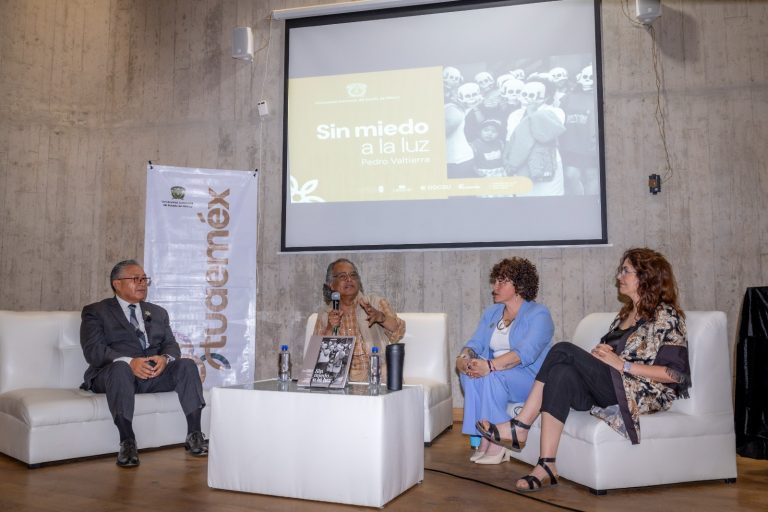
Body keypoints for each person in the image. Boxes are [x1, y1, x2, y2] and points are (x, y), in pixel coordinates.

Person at [477, 248, 691, 491]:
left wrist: (622, 364)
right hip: (609, 385)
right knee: (561, 372)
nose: (619, 276)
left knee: (562, 349)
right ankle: (547, 465)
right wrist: (602, 355)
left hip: (637, 392)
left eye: (626, 271)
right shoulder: (625, 315)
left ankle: (520, 425)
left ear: (646, 276)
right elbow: (610, 359)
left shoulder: (666, 316)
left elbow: (676, 375)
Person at [80, 259, 207, 468]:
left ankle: (194, 434)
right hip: (113, 374)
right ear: (117, 283)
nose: (142, 283)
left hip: (152, 375)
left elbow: (171, 346)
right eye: (135, 279)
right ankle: (127, 442)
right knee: (121, 368)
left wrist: (164, 359)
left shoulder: (158, 312)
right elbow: (93, 351)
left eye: (144, 279)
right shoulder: (96, 311)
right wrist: (130, 362)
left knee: (187, 365)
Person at [456, 257, 554, 465]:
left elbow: (525, 353)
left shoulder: (539, 314)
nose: (495, 287)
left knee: (493, 377)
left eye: (502, 281)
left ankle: (498, 442)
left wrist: (490, 366)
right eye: (495, 281)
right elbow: (475, 343)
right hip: (499, 372)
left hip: (531, 378)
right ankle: (483, 434)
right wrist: (464, 359)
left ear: (519, 286)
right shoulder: (492, 312)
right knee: (471, 375)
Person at [313, 259, 405, 383]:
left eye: (353, 275)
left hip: (376, 371)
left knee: (387, 371)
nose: (349, 279)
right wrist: (330, 327)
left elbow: (398, 330)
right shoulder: (325, 314)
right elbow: (316, 357)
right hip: (341, 377)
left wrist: (381, 317)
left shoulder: (374, 302)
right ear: (331, 285)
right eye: (342, 276)